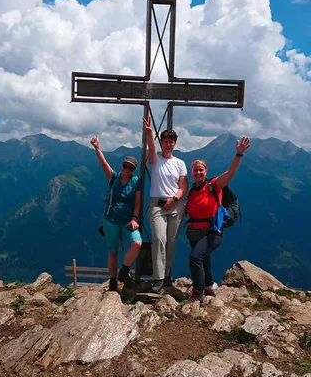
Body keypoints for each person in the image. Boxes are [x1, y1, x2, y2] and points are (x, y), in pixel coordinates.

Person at [185, 136, 250, 304]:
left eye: (201, 170)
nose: (198, 173)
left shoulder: (214, 185)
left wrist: (239, 154)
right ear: (191, 173)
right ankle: (208, 286)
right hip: (195, 232)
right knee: (203, 257)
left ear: (205, 171)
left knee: (195, 258)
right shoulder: (191, 191)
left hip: (213, 231)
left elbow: (230, 173)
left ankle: (197, 292)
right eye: (195, 170)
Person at [90, 135, 142, 290]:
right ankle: (113, 282)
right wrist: (97, 148)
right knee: (112, 253)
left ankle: (124, 272)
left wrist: (134, 218)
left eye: (130, 168)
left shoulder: (136, 182)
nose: (126, 169)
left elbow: (138, 204)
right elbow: (103, 163)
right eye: (125, 166)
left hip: (128, 221)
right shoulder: (114, 178)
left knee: (137, 243)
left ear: (134, 170)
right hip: (110, 220)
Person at [143, 116, 188, 293]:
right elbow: (151, 148)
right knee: (159, 239)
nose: (168, 144)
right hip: (157, 205)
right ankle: (158, 278)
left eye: (171, 142)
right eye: (165, 141)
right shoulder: (154, 161)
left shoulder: (180, 164)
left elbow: (183, 186)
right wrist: (149, 134)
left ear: (175, 144)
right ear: (161, 143)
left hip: (176, 205)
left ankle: (166, 275)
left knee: (171, 242)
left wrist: (174, 199)